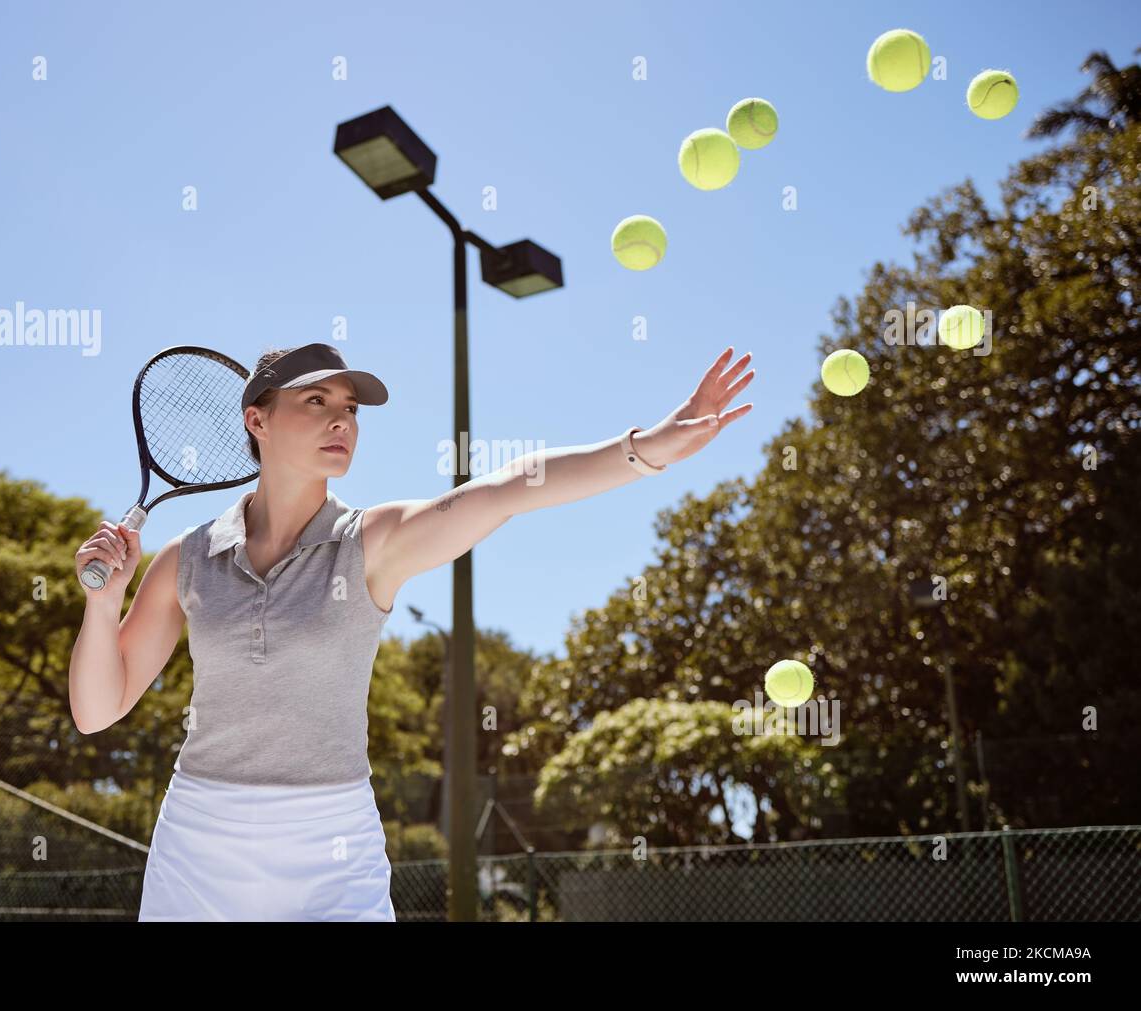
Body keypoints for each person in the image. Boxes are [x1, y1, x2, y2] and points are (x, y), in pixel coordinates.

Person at [68, 341, 754, 921]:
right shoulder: (185, 560)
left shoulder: (374, 541)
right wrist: (103, 608)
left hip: (331, 842)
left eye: (350, 409)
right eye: (317, 402)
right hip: (200, 843)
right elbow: (98, 710)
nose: (342, 420)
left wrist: (647, 448)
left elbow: (513, 488)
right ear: (258, 418)